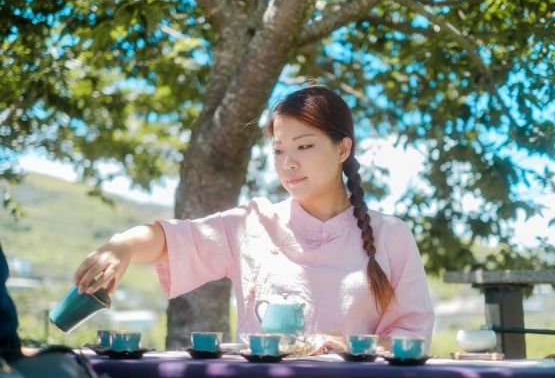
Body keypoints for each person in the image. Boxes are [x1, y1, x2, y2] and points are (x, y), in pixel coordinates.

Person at [73, 85, 435, 352]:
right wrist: (121, 246)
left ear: (343, 148)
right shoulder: (254, 224)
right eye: (279, 150)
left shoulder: (391, 236)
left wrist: (340, 344)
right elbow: (175, 239)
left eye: (304, 146)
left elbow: (411, 339)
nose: (288, 163)